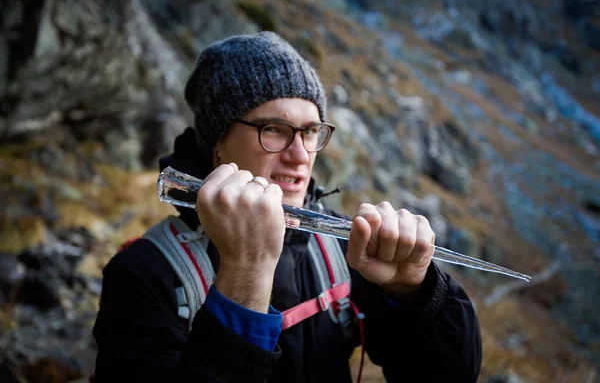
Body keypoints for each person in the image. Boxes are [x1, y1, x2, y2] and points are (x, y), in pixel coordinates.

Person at [92, 31, 482, 383]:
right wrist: (245, 273)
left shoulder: (344, 250)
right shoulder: (145, 275)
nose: (300, 155)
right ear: (218, 144)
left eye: (311, 131)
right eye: (273, 130)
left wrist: (415, 293)